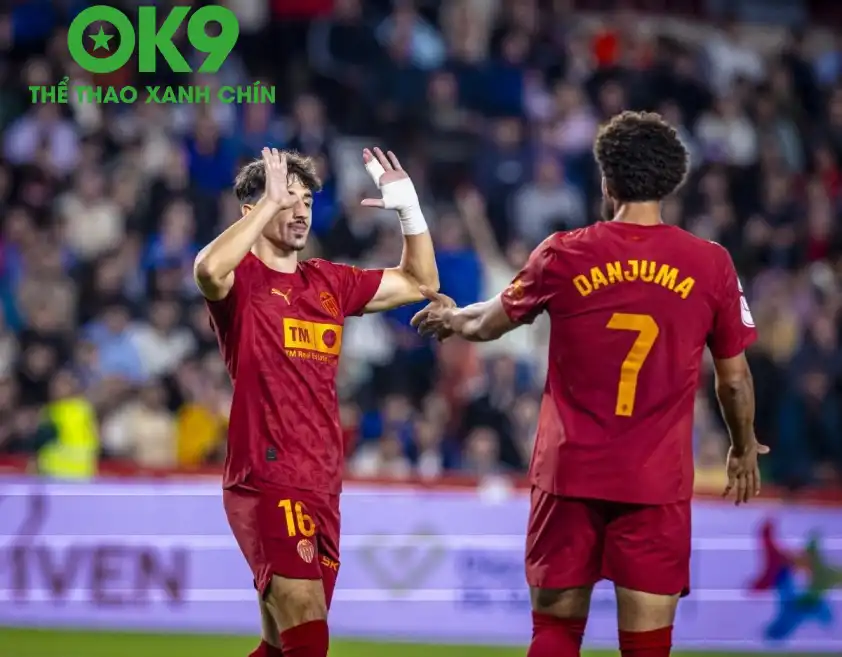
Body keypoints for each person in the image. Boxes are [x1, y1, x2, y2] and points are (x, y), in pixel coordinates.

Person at [411, 111, 769, 657]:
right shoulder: (711, 264)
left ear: (606, 181)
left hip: (569, 474)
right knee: (647, 647)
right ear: (672, 183)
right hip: (655, 483)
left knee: (555, 633)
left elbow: (487, 324)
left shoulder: (565, 253)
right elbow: (735, 380)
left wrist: (451, 318)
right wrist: (742, 448)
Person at [194, 146, 438, 657]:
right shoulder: (241, 282)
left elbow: (421, 282)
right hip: (266, 474)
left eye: (306, 200)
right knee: (309, 633)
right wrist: (269, 202)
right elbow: (208, 269)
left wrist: (408, 209)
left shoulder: (328, 282)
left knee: (282, 645)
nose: (301, 210)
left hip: (323, 480)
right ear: (253, 209)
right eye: (288, 199)